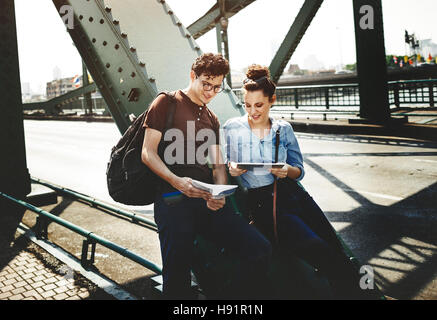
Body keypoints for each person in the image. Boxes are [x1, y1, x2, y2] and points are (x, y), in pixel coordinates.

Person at [223, 64, 374, 299]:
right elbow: (230, 166)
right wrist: (234, 169)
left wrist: (286, 170)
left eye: (259, 105)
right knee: (318, 249)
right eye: (248, 105)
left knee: (334, 247)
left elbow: (299, 170)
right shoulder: (233, 127)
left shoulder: (284, 129)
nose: (253, 111)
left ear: (272, 100)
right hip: (264, 203)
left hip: (294, 195)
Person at [141, 54, 271, 299]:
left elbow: (218, 167)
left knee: (258, 247)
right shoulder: (166, 102)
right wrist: (176, 181)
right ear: (193, 76)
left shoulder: (211, 118)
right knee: (177, 274)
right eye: (206, 84)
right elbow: (148, 153)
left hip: (205, 201)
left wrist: (219, 193)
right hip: (172, 200)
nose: (210, 91)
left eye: (217, 87)